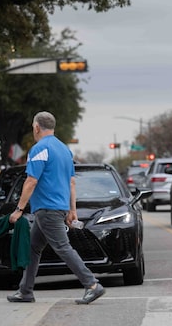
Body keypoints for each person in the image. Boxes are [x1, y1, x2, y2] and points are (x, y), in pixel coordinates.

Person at [6, 111, 105, 305]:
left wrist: (18, 209)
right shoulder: (64, 150)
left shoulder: (39, 149)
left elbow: (31, 181)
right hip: (57, 207)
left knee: (62, 247)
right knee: (34, 248)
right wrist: (72, 210)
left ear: (36, 127)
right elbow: (72, 182)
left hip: (47, 208)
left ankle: (92, 284)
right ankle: (25, 291)